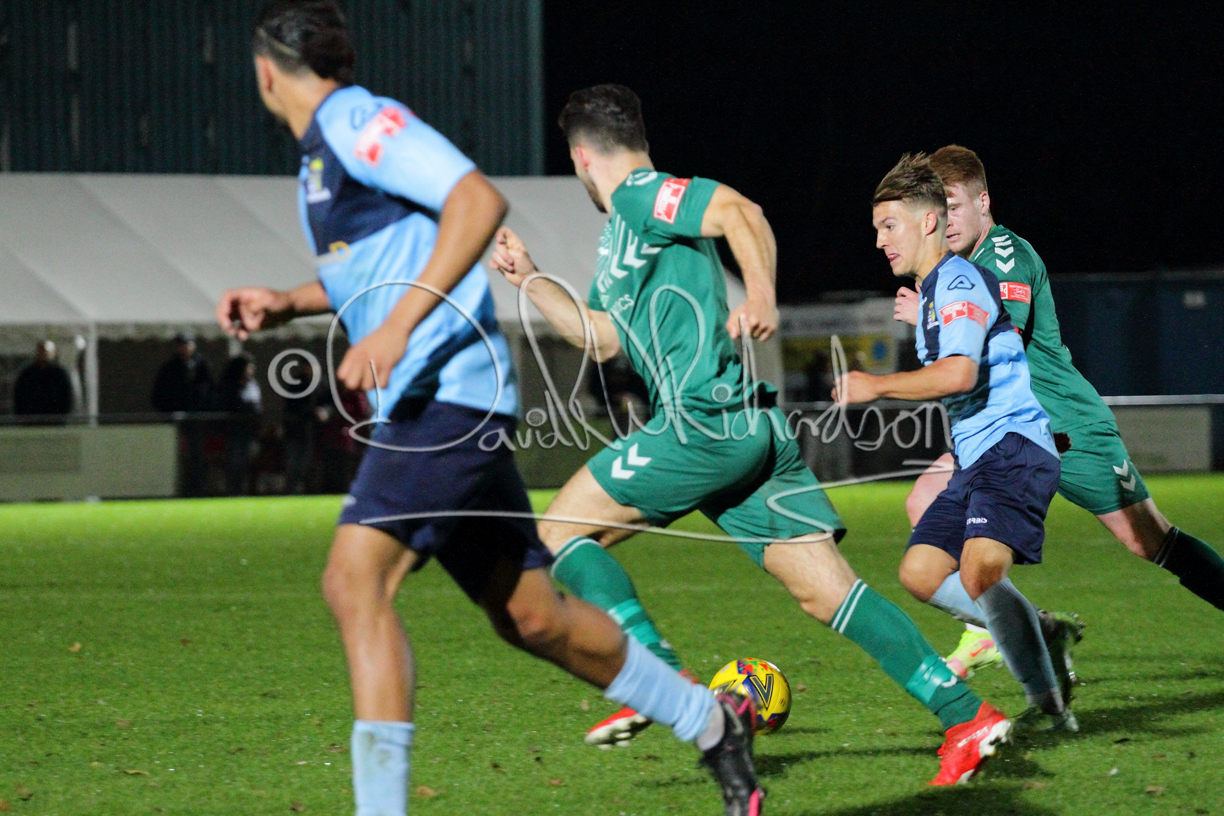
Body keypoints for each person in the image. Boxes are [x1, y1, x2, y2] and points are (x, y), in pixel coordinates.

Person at [217, 6, 762, 815]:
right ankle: (712, 723)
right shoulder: (319, 158)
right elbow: (382, 264)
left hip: (445, 394)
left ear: (266, 71)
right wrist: (286, 303)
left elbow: (475, 201)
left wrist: (397, 329)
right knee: (533, 618)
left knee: (353, 582)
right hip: (437, 397)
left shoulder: (357, 121)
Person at [491, 84, 1010, 786]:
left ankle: (655, 674)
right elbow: (601, 337)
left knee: (556, 535)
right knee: (829, 594)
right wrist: (529, 278)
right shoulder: (620, 236)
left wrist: (761, 294)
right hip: (748, 433)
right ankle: (966, 716)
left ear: (582, 156)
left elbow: (741, 213)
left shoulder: (643, 195)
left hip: (700, 424)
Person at [894, 145, 1224, 677]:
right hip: (1006, 433)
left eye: (953, 206)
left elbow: (992, 334)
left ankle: (1017, 630)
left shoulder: (1006, 256)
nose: (944, 221)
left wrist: (925, 316)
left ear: (983, 202)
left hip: (1066, 426)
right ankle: (1001, 630)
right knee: (923, 502)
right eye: (936, 209)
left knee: (1148, 539)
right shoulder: (956, 269)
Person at [839, 153, 1075, 730]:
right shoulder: (933, 290)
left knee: (978, 573)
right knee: (919, 573)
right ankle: (1038, 630)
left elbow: (960, 374)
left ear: (927, 222)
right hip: (976, 459)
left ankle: (1050, 707)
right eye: (877, 229)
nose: (880, 241)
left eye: (889, 226)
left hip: (1013, 448)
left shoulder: (961, 281)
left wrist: (877, 385)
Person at [152, 331, 214, 496]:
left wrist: (203, 410)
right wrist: (169, 411)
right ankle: (176, 489)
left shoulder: (202, 366)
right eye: (181, 345)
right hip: (175, 420)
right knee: (174, 456)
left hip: (197, 420)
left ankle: (197, 489)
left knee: (197, 455)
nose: (184, 348)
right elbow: (158, 394)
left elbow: (210, 391)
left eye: (187, 344)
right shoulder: (170, 367)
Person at [218, 353, 263, 496]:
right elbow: (230, 405)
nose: (251, 370)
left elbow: (257, 405)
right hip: (235, 430)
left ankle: (243, 490)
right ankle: (233, 490)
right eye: (248, 367)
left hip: (249, 430)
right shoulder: (230, 385)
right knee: (235, 462)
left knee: (247, 462)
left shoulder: (253, 384)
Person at [13, 340, 73, 421]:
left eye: (46, 352)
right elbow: (19, 395)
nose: (43, 354)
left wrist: (63, 416)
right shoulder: (27, 373)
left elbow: (66, 396)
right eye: (41, 351)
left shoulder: (59, 373)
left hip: (54, 419)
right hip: (31, 419)